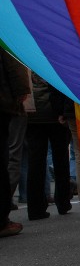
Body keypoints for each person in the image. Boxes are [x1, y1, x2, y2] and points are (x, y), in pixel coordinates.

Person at [25, 73, 72, 220]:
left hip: (33, 114)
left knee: (35, 161)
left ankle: (35, 208)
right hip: (55, 112)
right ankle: (63, 202)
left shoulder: (25, 56)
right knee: (61, 159)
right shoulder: (49, 55)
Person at [0, 48, 30, 236]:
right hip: (2, 103)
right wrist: (21, 92)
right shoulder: (4, 34)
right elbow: (13, 62)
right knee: (6, 157)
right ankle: (2, 219)